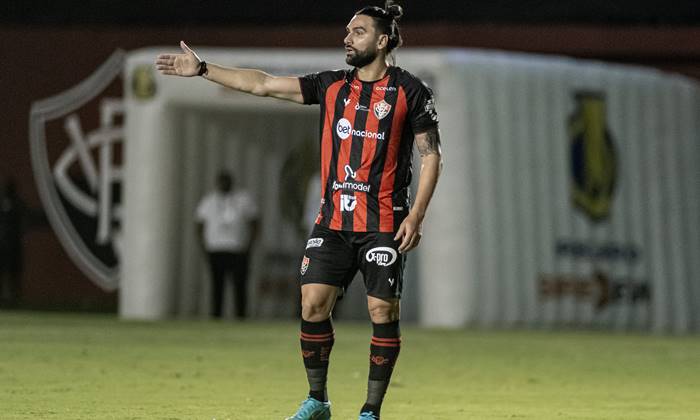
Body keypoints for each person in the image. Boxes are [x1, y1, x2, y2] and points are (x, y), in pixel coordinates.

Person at [156, 1, 442, 418]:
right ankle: (318, 400)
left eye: (358, 31)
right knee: (312, 304)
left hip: (383, 222)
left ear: (383, 41)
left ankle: (370, 411)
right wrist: (203, 69)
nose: (347, 38)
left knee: (382, 310)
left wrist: (416, 214)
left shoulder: (410, 91)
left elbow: (431, 155)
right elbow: (263, 84)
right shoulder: (332, 86)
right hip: (333, 222)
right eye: (347, 30)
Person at [195, 171, 259, 319]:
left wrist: (249, 246)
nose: (224, 184)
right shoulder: (209, 200)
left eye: (226, 180)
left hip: (237, 249)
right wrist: (204, 247)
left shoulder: (243, 199)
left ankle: (241, 316)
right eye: (221, 181)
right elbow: (199, 224)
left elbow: (255, 223)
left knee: (240, 285)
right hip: (216, 248)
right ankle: (216, 316)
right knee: (217, 285)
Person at [0, 177, 24, 307]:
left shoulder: (16, 203)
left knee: (13, 272)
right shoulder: (14, 203)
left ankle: (13, 297)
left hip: (11, 244)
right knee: (7, 271)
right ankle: (7, 296)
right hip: (7, 244)